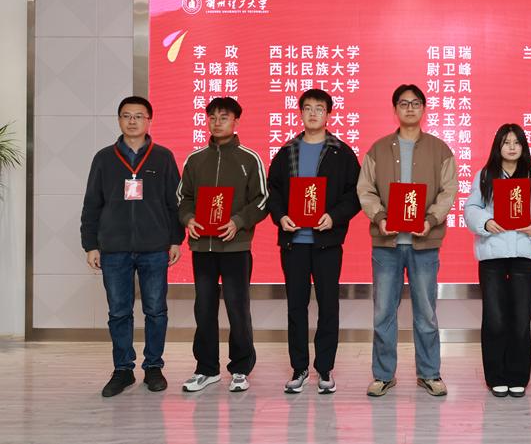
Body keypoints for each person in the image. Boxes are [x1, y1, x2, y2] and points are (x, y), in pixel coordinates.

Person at [357, 84, 458, 397]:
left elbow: (448, 191)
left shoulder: (440, 149)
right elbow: (365, 189)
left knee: (426, 312)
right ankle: (383, 375)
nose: (410, 108)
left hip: (424, 244)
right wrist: (379, 217)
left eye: (415, 103)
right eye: (404, 103)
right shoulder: (378, 149)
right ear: (395, 109)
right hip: (386, 244)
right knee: (383, 313)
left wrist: (430, 220)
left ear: (424, 108)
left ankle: (429, 373)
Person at [80, 96, 184, 397]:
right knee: (119, 312)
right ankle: (123, 369)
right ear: (119, 120)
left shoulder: (163, 157)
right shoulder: (104, 158)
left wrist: (175, 239)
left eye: (139, 116)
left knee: (156, 310)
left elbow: (174, 203)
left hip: (154, 247)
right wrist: (91, 244)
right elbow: (92, 204)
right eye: (126, 116)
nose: (132, 121)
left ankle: (153, 367)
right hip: (114, 248)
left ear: (149, 120)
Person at [266, 89, 361, 395]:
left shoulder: (341, 153)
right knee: (296, 306)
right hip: (294, 242)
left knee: (328, 305)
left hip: (327, 243)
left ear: (328, 114)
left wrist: (334, 216)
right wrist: (281, 216)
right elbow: (273, 191)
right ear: (300, 113)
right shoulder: (287, 151)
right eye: (307, 108)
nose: (313, 114)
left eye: (319, 108)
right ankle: (299, 368)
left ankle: (325, 368)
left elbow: (355, 194)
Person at [177, 97, 268, 393]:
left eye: (224, 117)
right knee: (203, 308)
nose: (217, 122)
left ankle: (240, 368)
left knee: (237, 308)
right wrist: (189, 218)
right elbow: (183, 198)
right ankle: (206, 369)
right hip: (202, 248)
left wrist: (238, 222)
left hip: (235, 247)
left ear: (236, 121)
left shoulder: (249, 159)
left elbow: (262, 200)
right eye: (212, 117)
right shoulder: (195, 160)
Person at [464, 124, 531, 397]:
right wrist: (485, 221)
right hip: (492, 256)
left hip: (524, 255)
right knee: (494, 317)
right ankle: (496, 375)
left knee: (520, 317)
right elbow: (471, 208)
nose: (512, 147)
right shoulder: (485, 175)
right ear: (498, 146)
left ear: (524, 146)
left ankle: (518, 375)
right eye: (507, 142)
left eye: (517, 142)